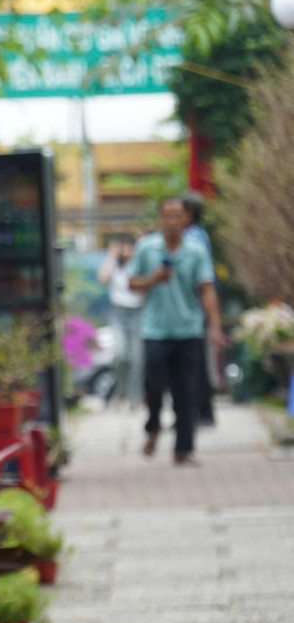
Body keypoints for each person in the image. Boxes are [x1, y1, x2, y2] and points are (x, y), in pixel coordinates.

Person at [128, 197, 223, 465]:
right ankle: (153, 424)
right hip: (155, 330)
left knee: (186, 391)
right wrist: (151, 279)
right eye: (166, 215)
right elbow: (132, 282)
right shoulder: (147, 248)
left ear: (186, 219)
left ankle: (184, 449)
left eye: (177, 215)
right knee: (154, 384)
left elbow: (206, 289)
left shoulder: (196, 250)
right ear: (160, 218)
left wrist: (214, 327)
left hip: (188, 330)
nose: (171, 220)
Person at [180, 191, 218, 426]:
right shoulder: (195, 235)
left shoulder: (194, 238)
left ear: (190, 214)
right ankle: (198, 411)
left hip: (194, 308)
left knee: (197, 364)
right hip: (191, 308)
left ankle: (202, 412)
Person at [96, 235, 144, 406]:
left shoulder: (140, 264)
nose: (126, 252)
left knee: (137, 359)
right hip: (118, 313)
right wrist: (111, 255)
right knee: (119, 355)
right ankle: (120, 391)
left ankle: (134, 397)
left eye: (130, 248)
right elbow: (102, 277)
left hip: (138, 312)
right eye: (123, 248)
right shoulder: (115, 266)